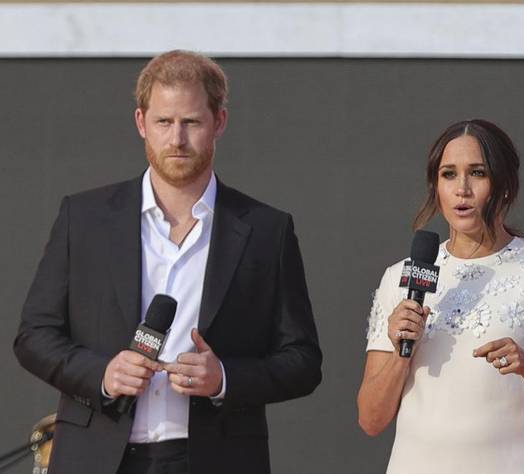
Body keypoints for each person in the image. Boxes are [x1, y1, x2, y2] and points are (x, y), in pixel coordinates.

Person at [14, 50, 322, 474]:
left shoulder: (267, 231)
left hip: (215, 460)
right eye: (164, 122)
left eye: (191, 122)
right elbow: (34, 335)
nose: (176, 138)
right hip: (97, 459)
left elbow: (302, 361)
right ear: (141, 123)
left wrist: (224, 379)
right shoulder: (83, 218)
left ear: (220, 122)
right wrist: (103, 373)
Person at [357, 119, 524, 473]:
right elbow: (371, 420)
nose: (462, 189)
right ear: (435, 186)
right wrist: (400, 353)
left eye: (478, 173)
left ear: (504, 186)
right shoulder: (399, 278)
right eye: (449, 174)